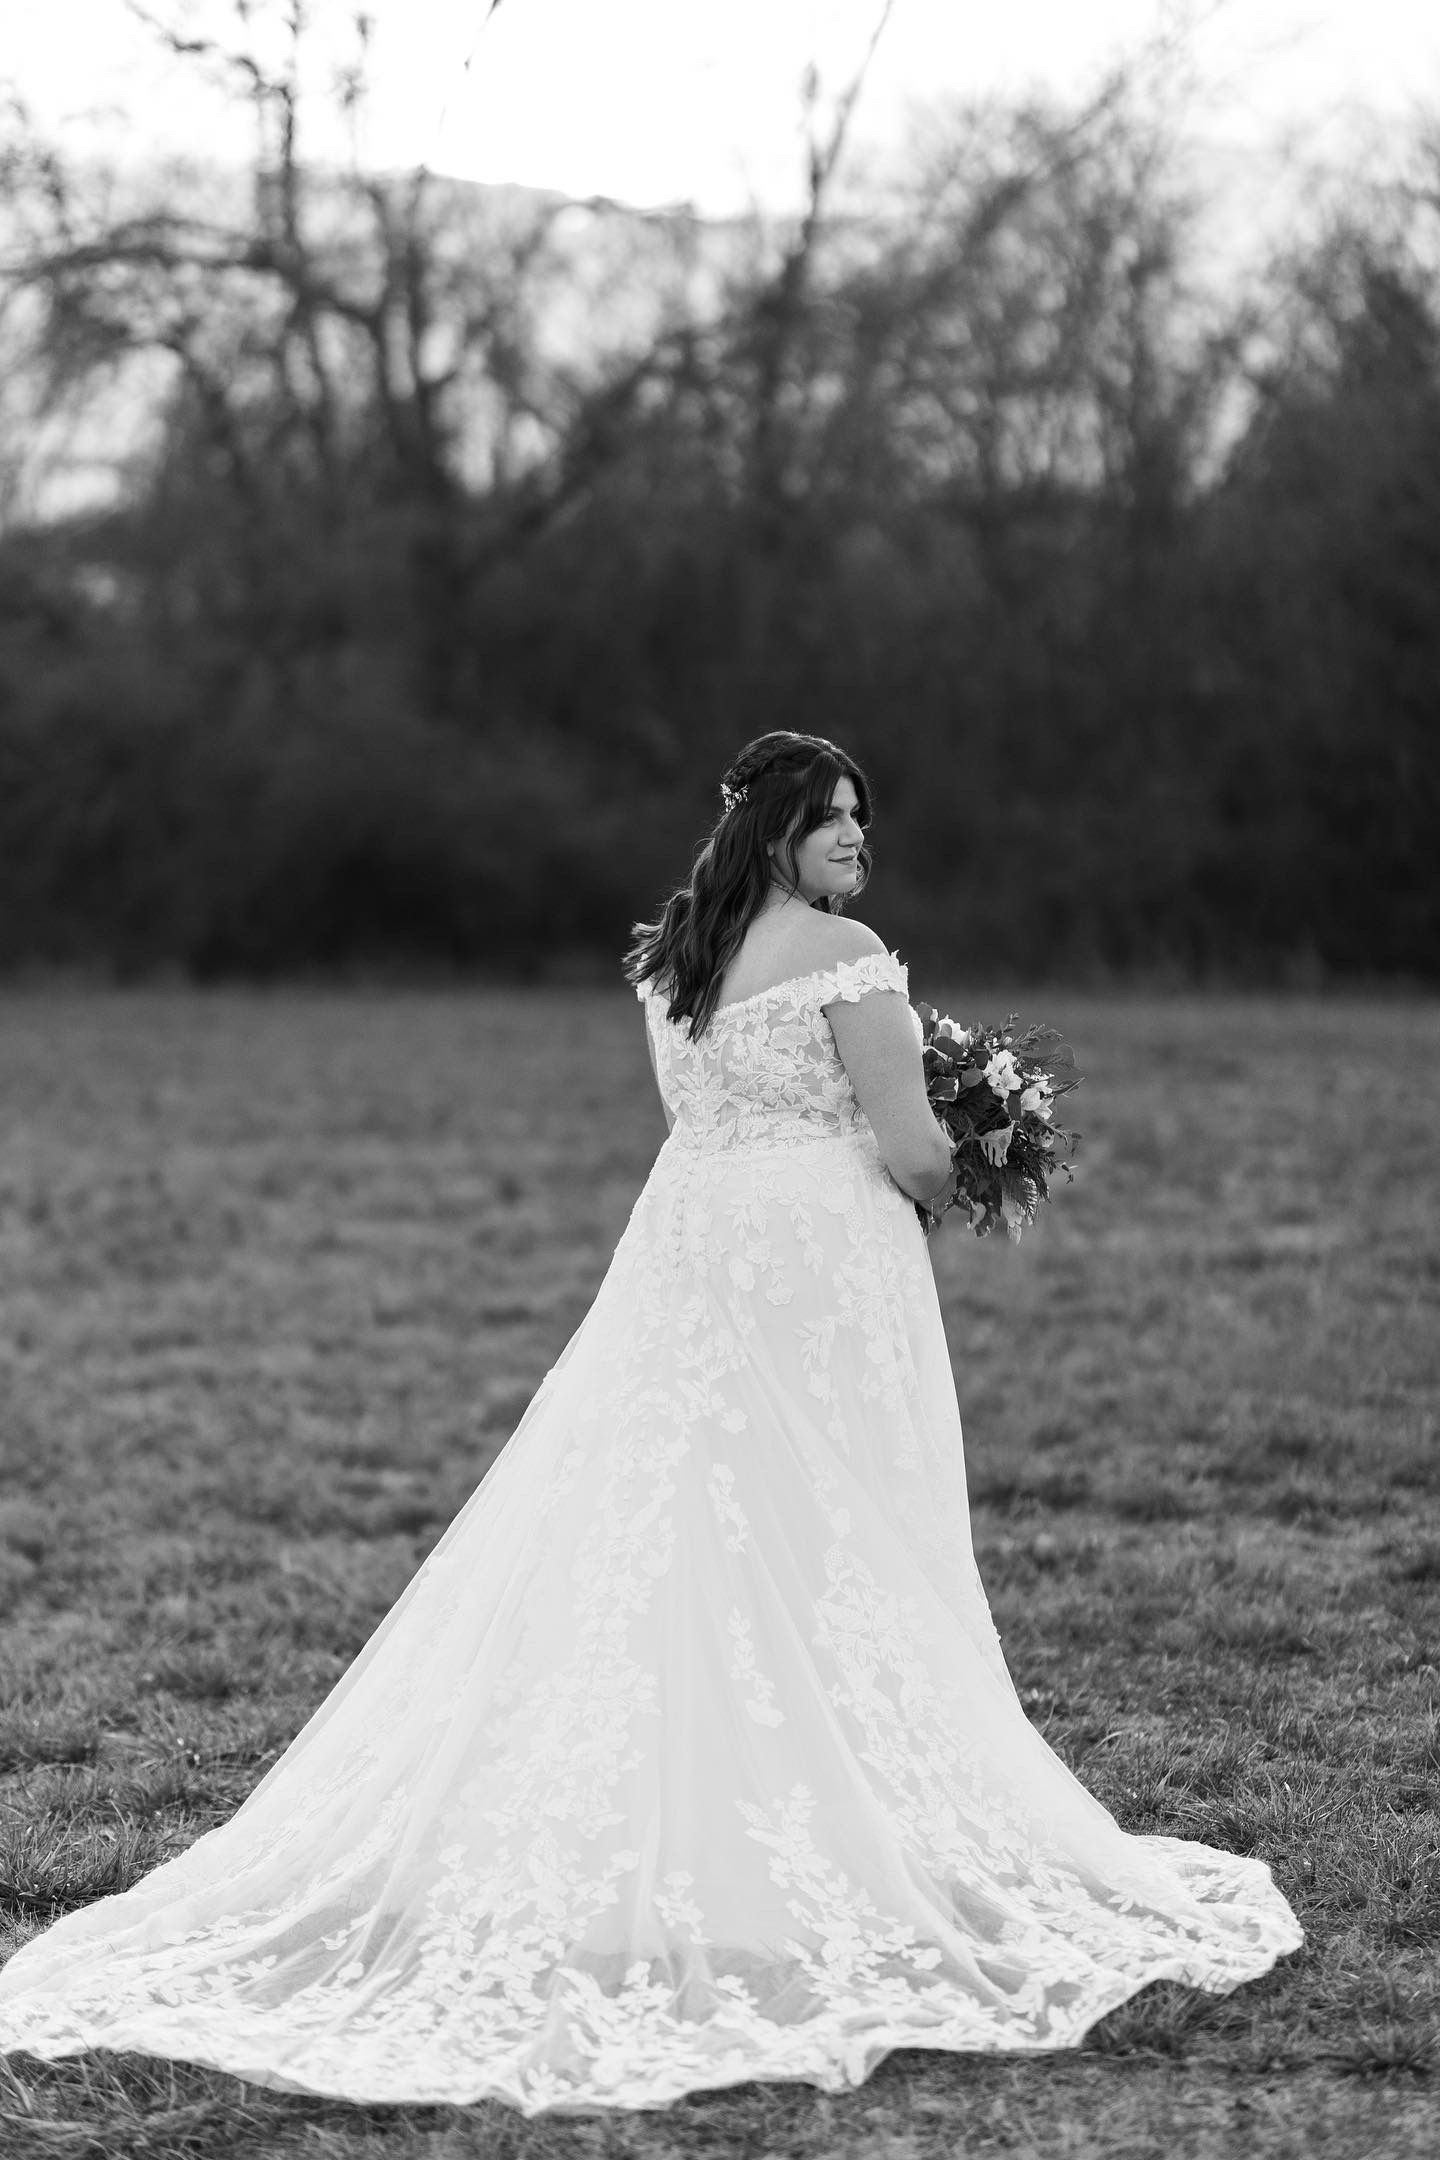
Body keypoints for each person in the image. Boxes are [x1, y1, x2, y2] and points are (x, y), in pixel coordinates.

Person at [0, 730, 1301, 2115]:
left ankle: (706, 1828)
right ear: (776, 829)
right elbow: (913, 1151)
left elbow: (707, 1116)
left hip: (693, 1250)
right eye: (831, 816)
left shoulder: (677, 958)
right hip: (816, 1264)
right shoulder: (849, 958)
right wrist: (986, 1153)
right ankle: (810, 1829)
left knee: (688, 1507)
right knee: (829, 1521)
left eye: (862, 816)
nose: (856, 836)